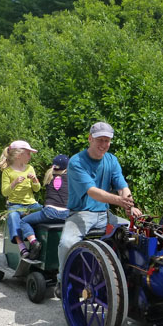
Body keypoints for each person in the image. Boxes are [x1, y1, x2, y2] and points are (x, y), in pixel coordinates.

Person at [56, 122, 142, 296]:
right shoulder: (76, 162)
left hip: (105, 214)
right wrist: (119, 201)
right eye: (100, 140)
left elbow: (122, 185)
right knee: (66, 243)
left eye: (107, 140)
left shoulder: (112, 160)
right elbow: (93, 192)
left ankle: (131, 278)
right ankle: (62, 281)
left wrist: (129, 204)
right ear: (90, 139)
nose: (104, 144)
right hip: (80, 214)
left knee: (136, 234)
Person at [17, 154, 71, 259]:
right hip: (66, 214)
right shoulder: (72, 179)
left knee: (23, 221)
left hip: (49, 213)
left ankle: (34, 242)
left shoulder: (49, 178)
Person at [0, 140, 42, 259]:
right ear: (19, 156)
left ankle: (37, 241)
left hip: (31, 204)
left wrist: (35, 181)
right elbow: (5, 192)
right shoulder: (8, 172)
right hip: (15, 205)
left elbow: (37, 189)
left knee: (45, 212)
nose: (30, 156)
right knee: (13, 217)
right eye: (28, 154)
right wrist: (14, 183)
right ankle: (22, 247)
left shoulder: (30, 168)